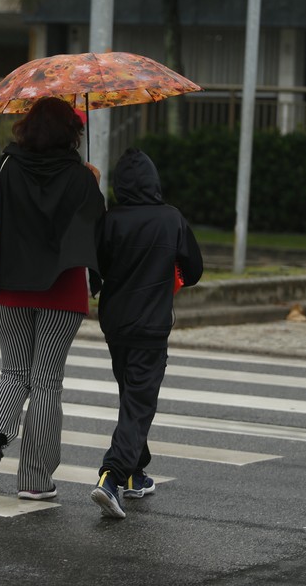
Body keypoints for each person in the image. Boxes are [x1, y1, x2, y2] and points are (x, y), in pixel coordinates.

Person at [0, 97, 105, 501]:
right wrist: (91, 183)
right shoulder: (80, 178)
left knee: (13, 372)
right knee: (46, 381)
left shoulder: (3, 168)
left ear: (26, 128)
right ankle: (34, 481)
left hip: (7, 287)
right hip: (61, 291)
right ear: (71, 134)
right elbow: (95, 232)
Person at [89, 148, 203, 519]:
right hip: (151, 324)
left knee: (131, 394)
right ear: (154, 181)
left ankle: (136, 472)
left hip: (115, 323)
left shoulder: (109, 220)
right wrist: (171, 277)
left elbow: (97, 269)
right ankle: (112, 475)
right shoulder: (171, 219)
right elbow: (194, 269)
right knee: (139, 401)